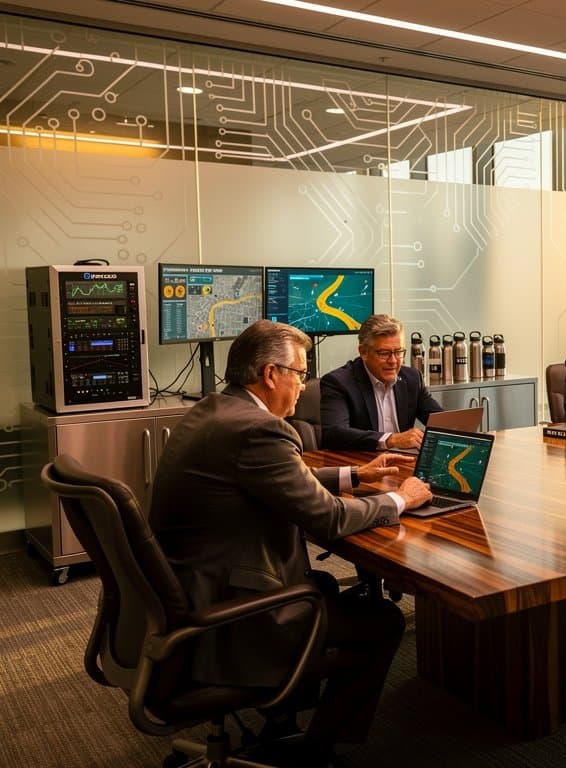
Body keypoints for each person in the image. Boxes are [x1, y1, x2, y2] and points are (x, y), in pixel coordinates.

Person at [149, 319, 433, 768]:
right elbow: (329, 517)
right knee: (382, 619)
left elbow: (276, 477)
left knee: (322, 584)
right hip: (226, 617)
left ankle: (282, 715)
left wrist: (355, 474)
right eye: (300, 374)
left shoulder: (216, 411)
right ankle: (317, 751)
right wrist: (402, 499)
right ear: (270, 374)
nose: (303, 386)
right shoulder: (261, 430)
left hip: (187, 592)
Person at [321, 314, 443, 451]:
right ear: (363, 352)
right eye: (384, 353)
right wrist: (391, 440)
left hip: (404, 460)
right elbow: (334, 434)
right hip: (362, 461)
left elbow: (440, 421)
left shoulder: (412, 378)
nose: (393, 361)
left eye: (398, 352)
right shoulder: (338, 382)